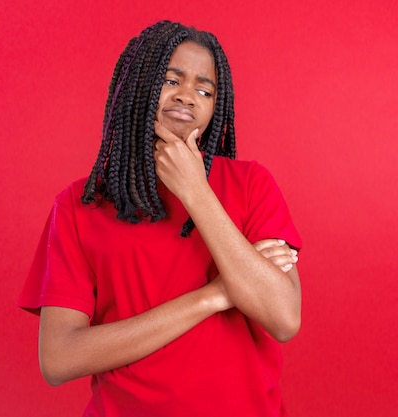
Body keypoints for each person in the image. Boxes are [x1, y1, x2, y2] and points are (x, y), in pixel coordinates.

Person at [18, 20, 302, 417]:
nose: (189, 97)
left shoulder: (251, 184)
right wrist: (213, 296)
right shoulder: (79, 205)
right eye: (172, 81)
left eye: (205, 90)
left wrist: (196, 193)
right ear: (136, 87)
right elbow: (59, 358)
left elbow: (284, 318)